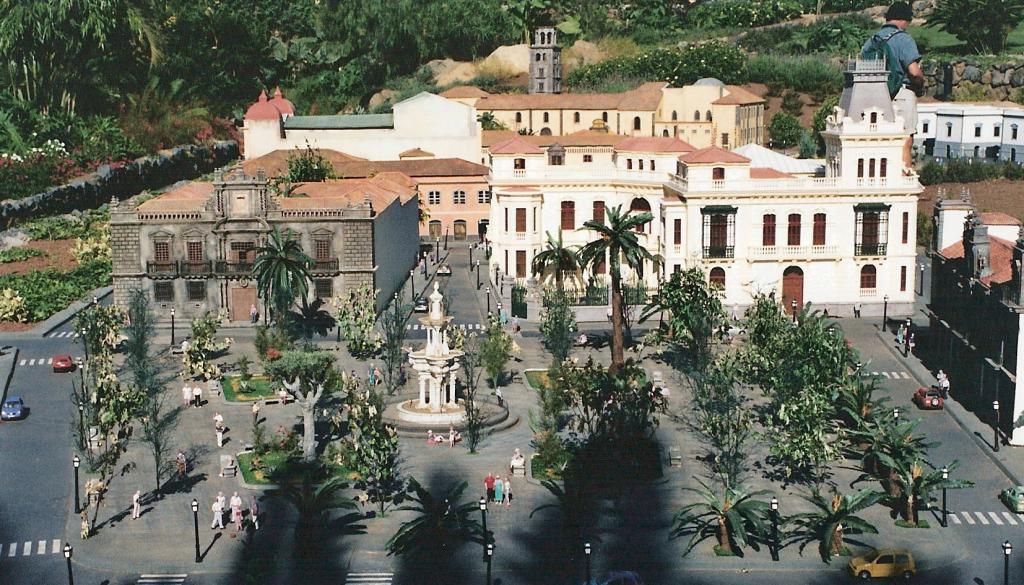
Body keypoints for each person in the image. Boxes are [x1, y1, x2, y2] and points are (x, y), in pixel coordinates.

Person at [861, 2, 925, 167]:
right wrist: (920, 83)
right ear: (904, 20)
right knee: (905, 139)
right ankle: (904, 178)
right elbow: (914, 71)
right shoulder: (904, 39)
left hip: (876, 96)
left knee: (881, 141)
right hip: (901, 94)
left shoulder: (872, 41)